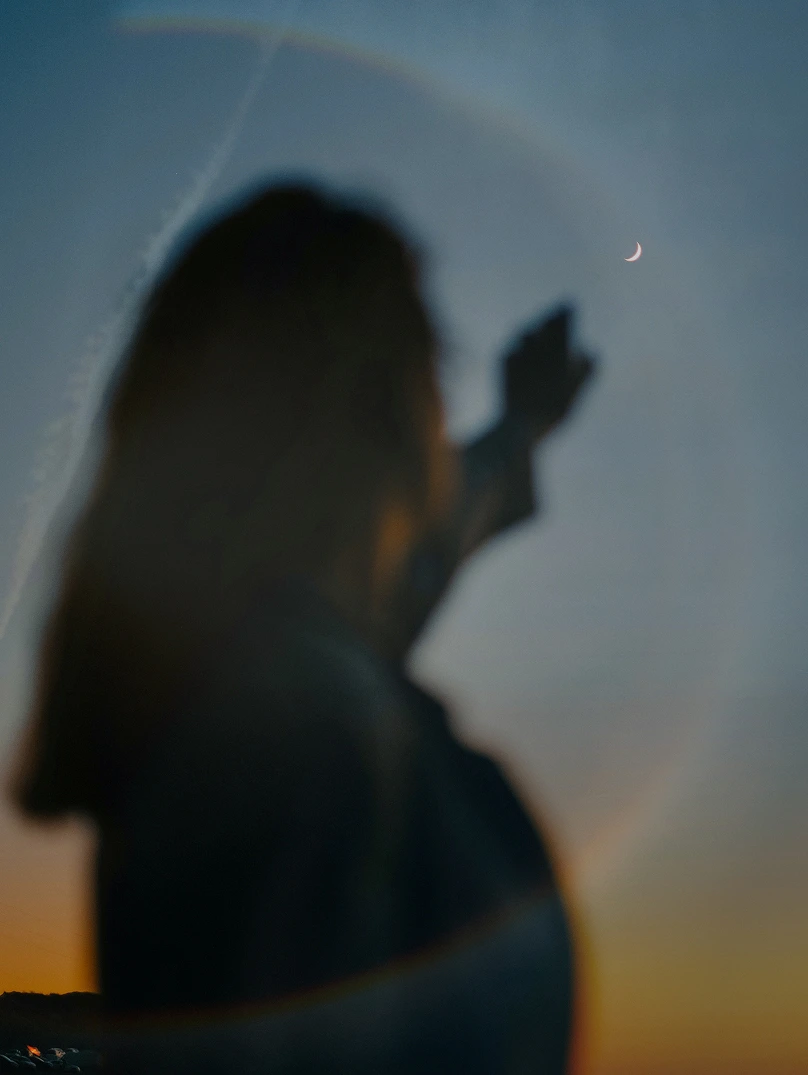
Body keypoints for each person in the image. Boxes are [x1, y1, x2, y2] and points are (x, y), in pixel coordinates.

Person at [11, 181, 594, 1074]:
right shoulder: (292, 726)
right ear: (382, 410)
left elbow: (425, 547)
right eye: (433, 363)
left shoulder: (261, 654)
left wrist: (522, 425)